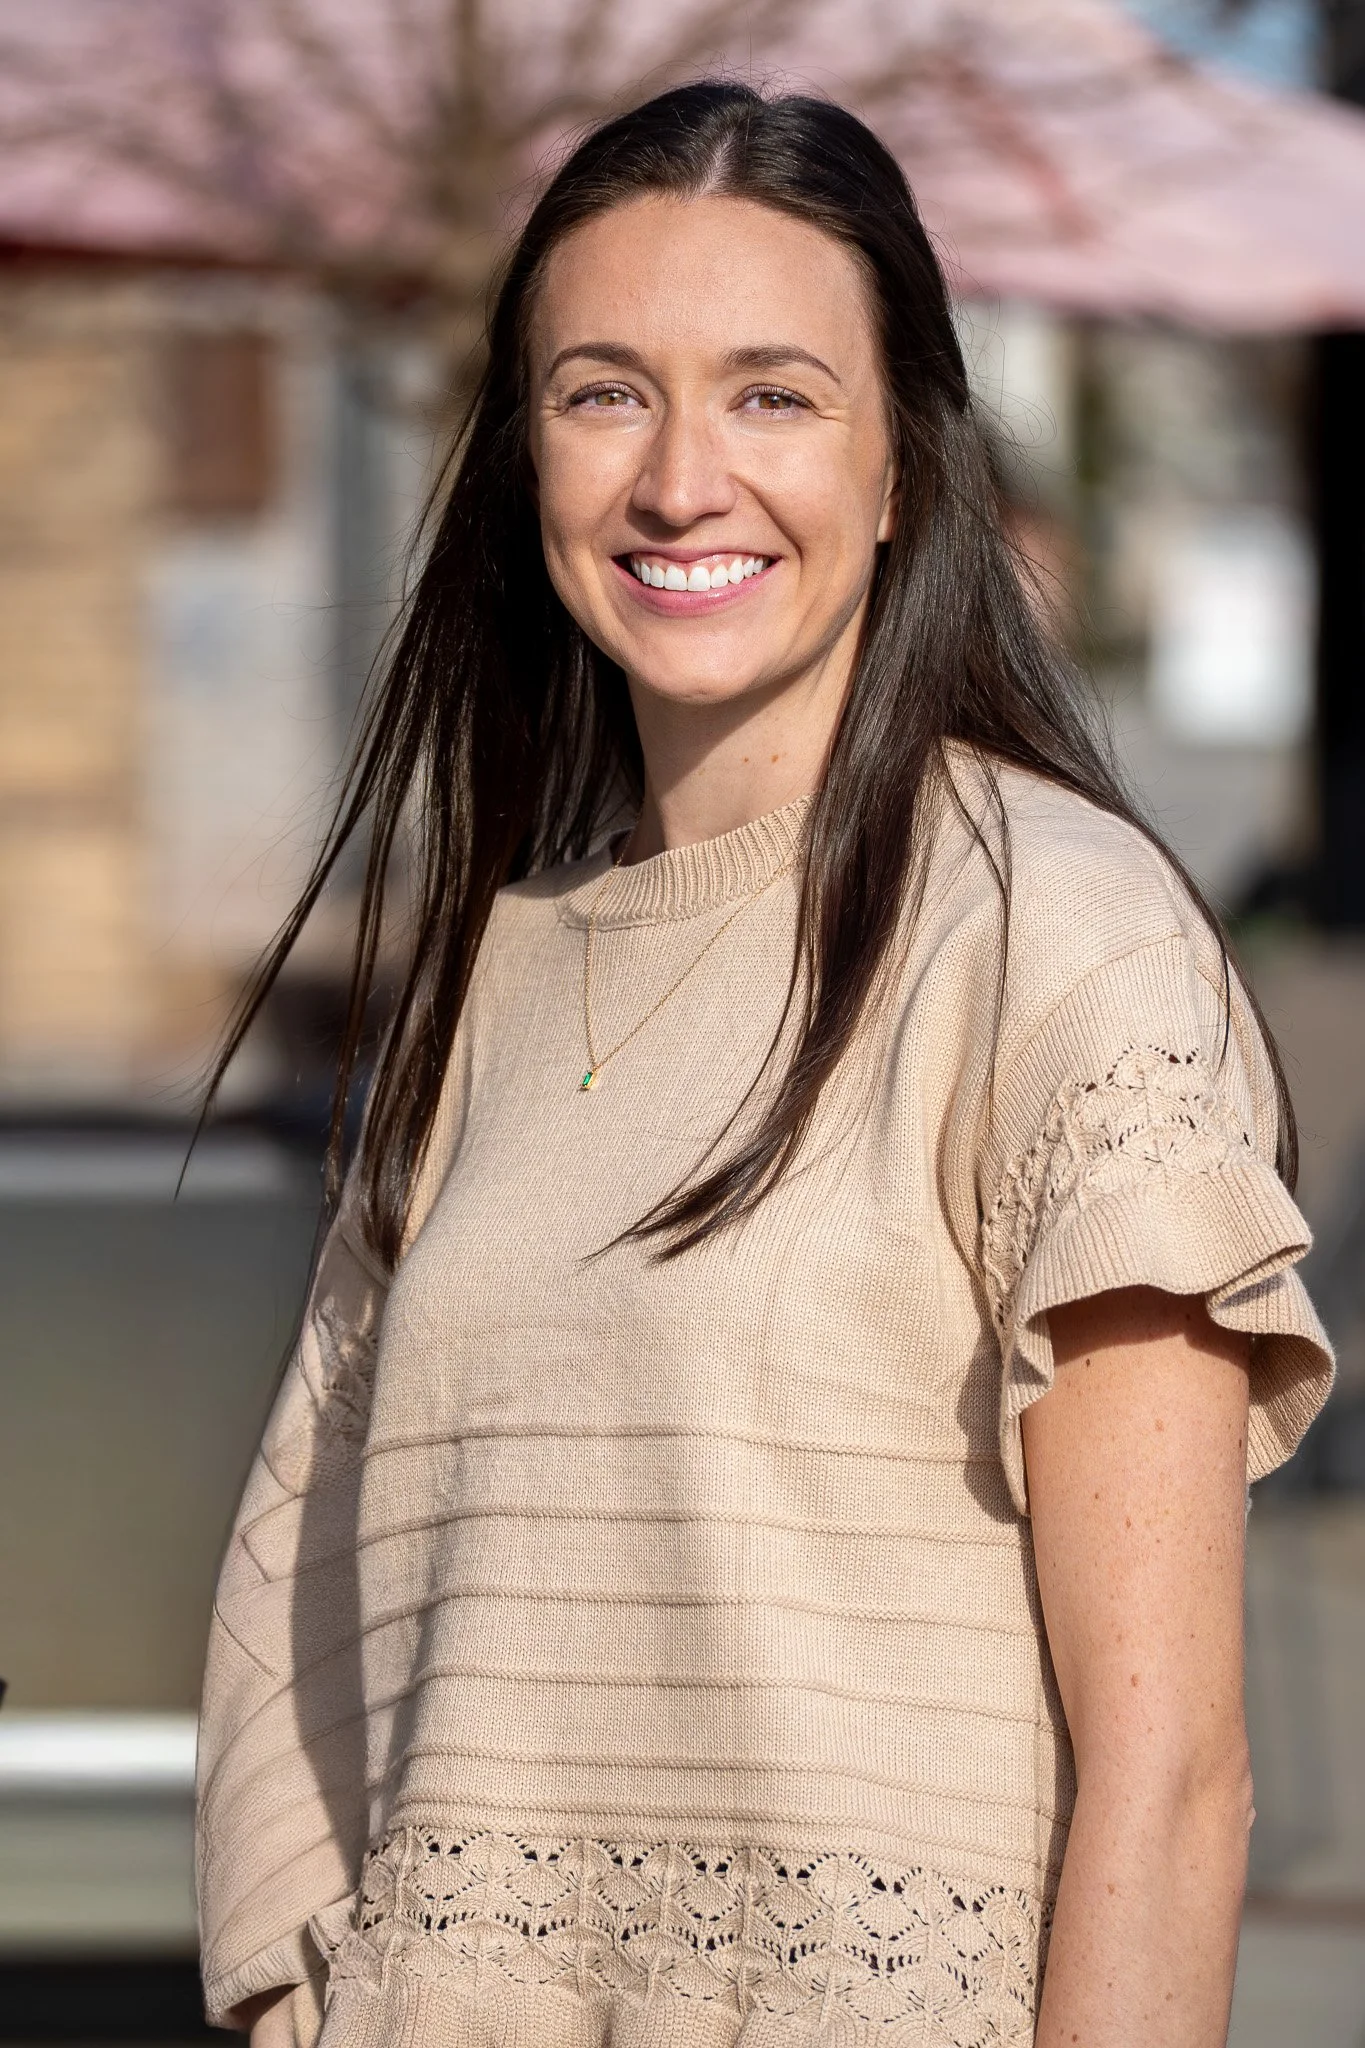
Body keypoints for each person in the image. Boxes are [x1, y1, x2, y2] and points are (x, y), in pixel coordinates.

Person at [195, 81, 1333, 2048]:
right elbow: (317, 1683)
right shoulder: (487, 971)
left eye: (773, 395)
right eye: (603, 391)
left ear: (904, 467)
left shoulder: (1047, 935)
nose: (678, 479)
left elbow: (1172, 1786)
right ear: (520, 454)